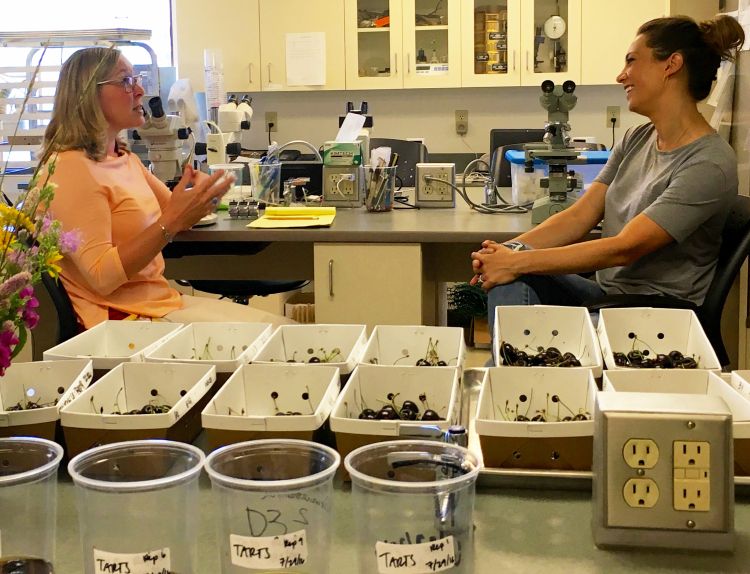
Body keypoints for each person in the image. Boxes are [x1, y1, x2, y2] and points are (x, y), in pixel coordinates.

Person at [471, 15, 745, 342]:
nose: (621, 75)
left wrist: (518, 261)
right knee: (507, 276)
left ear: (671, 64)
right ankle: (515, 373)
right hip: (606, 295)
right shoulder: (636, 138)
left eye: (631, 61)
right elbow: (579, 216)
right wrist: (509, 251)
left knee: (516, 273)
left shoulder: (708, 163)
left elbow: (624, 248)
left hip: (653, 316)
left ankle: (511, 376)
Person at [39, 47, 294, 329]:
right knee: (283, 336)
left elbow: (176, 211)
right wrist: (172, 221)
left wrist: (203, 197)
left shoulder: (124, 158)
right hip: (119, 318)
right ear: (88, 95)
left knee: (287, 331)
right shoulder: (69, 168)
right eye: (125, 81)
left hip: (160, 302)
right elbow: (102, 277)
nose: (138, 90)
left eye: (136, 79)